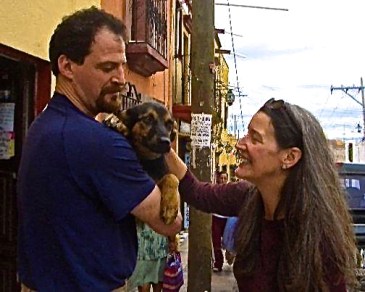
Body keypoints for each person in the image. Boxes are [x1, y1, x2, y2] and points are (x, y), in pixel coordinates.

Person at [16, 7, 181, 291]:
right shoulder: (97, 142)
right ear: (67, 67)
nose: (120, 78)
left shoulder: (44, 124)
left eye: (122, 66)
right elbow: (171, 223)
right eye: (107, 68)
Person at [165, 98, 358, 291]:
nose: (240, 144)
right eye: (246, 134)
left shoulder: (318, 236)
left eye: (255, 138)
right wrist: (162, 144)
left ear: (289, 157)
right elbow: (196, 192)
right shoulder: (246, 197)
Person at [128, 221, 169, 292]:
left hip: (142, 245)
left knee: (143, 280)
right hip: (159, 244)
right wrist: (172, 240)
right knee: (158, 279)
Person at [211, 170, 229, 272]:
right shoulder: (214, 190)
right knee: (216, 242)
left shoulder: (230, 191)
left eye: (225, 178)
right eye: (221, 178)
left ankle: (229, 255)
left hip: (227, 220)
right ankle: (218, 263)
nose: (223, 180)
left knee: (228, 240)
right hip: (216, 218)